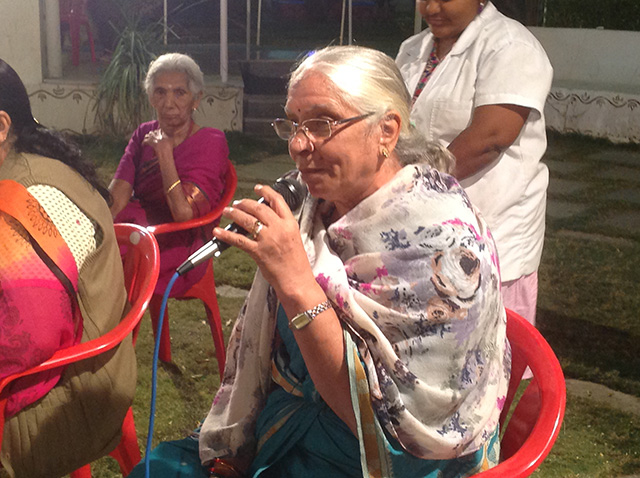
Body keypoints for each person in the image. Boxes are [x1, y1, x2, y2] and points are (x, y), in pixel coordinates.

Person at [131, 45, 509, 478]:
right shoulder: (320, 206)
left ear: (386, 131)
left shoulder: (443, 243)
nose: (297, 144)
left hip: (373, 453)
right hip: (291, 419)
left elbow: (384, 426)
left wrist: (295, 283)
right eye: (292, 124)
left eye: (321, 124)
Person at [0, 59, 135, 478]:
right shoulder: (17, 168)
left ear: (1, 126)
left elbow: (24, 343)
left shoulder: (29, 198)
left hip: (67, 396)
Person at [396, 0, 553, 329]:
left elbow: (490, 137)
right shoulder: (413, 49)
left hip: (490, 226)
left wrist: (407, 184)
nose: (430, 7)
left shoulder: (510, 47)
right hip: (422, 224)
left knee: (487, 355)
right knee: (428, 348)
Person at [109, 53, 231, 297]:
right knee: (88, 255)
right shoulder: (143, 134)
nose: (168, 103)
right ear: (151, 97)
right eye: (160, 92)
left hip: (180, 242)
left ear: (196, 100)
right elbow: (117, 198)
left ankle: (115, 331)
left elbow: (183, 213)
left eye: (179, 93)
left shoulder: (211, 142)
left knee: (111, 275)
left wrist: (164, 153)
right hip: (139, 228)